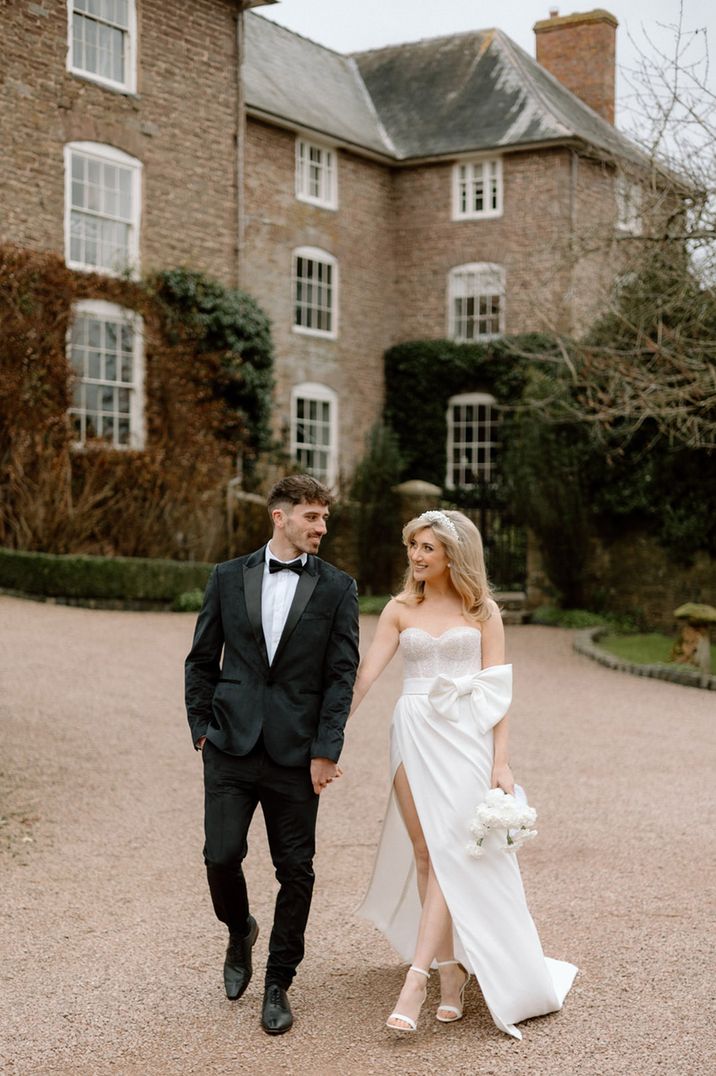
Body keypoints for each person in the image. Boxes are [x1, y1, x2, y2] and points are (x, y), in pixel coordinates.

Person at [351, 509, 577, 1039]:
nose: (416, 556)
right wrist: (327, 739)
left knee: (455, 850)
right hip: (410, 733)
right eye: (413, 546)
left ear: (453, 553)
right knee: (427, 853)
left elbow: (498, 694)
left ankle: (417, 981)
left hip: (465, 739)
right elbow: (365, 676)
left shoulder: (484, 611)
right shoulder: (399, 609)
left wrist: (501, 762)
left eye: (426, 547)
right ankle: (448, 971)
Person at [185, 475, 359, 1035]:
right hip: (230, 744)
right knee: (220, 855)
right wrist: (201, 728)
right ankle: (240, 929)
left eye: (325, 518)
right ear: (279, 517)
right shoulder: (226, 577)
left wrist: (327, 749)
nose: (322, 527)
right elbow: (201, 658)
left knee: (296, 871)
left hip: (296, 754)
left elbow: (340, 676)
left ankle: (279, 981)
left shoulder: (338, 588)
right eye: (313, 516)